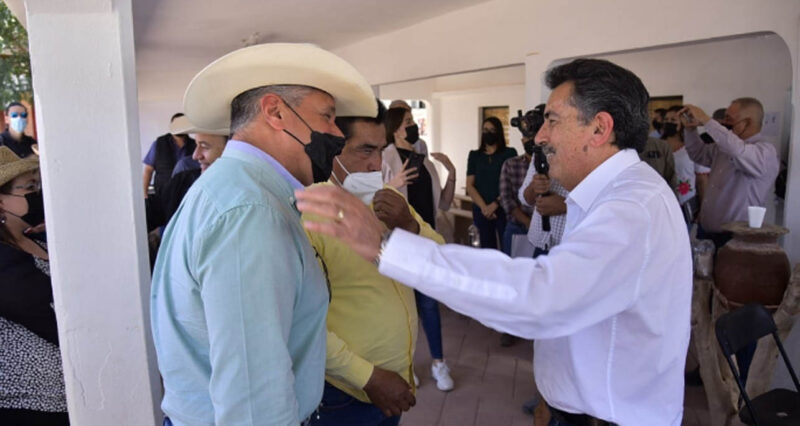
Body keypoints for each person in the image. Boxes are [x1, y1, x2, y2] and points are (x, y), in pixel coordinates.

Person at [297, 58, 693, 426]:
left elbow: (542, 297)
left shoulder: (632, 208)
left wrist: (387, 246)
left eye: (552, 120)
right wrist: (553, 395)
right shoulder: (609, 198)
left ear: (600, 128)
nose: (540, 136)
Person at [150, 43, 377, 426]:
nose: (338, 133)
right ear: (275, 112)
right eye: (327, 116)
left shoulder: (237, 192)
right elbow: (254, 401)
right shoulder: (250, 212)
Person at [305, 101, 445, 425]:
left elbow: (441, 259)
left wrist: (407, 226)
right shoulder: (311, 212)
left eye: (381, 150)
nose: (376, 164)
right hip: (345, 394)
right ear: (333, 149)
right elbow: (303, 323)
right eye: (365, 150)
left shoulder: (389, 200)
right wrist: (367, 377)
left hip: (395, 386)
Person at [382, 107, 456, 391]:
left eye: (413, 121)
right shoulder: (385, 159)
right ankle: (406, 364)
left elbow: (444, 203)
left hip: (425, 241)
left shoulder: (424, 162)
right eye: (408, 122)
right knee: (404, 309)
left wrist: (451, 172)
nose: (413, 126)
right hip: (400, 243)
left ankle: (439, 363)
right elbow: (376, 201)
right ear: (395, 129)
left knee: (429, 305)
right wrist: (393, 184)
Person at [0, 147, 69, 425]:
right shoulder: (4, 259)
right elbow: (49, 316)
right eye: (29, 188)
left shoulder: (38, 241)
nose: (38, 194)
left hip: (64, 402)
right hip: (25, 407)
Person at [680, 98, 780, 249]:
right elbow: (698, 154)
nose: (723, 122)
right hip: (707, 232)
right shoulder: (723, 148)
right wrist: (690, 130)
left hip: (736, 237)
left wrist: (707, 120)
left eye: (729, 119)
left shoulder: (765, 152)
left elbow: (738, 151)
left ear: (747, 122)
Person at [466, 117, 518, 249]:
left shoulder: (509, 153)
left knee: (508, 248)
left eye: (492, 130)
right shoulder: (474, 155)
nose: (488, 133)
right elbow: (470, 185)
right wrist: (485, 208)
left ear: (498, 132)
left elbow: (512, 184)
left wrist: (495, 204)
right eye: (485, 130)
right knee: (485, 250)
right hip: (481, 209)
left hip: (504, 208)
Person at [161, 128, 229, 225]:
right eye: (196, 145)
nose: (195, 155)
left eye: (204, 146)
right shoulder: (183, 181)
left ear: (229, 150)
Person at [661, 106, 710, 224]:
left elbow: (702, 180)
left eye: (673, 120)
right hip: (661, 204)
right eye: (666, 120)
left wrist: (703, 209)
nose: (668, 123)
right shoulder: (657, 147)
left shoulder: (692, 149)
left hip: (686, 204)